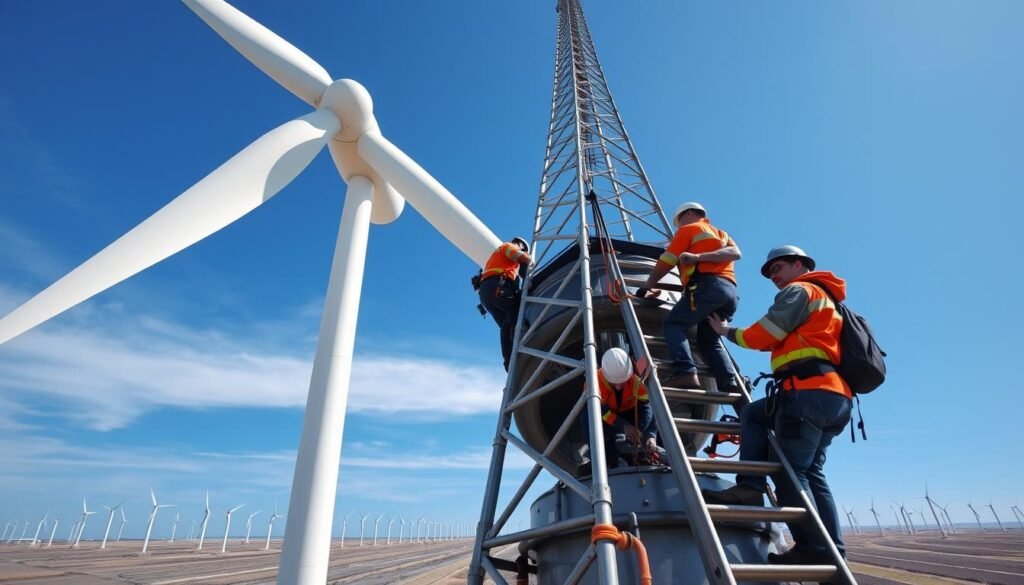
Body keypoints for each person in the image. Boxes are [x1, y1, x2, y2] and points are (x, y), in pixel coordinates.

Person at [702, 245, 853, 565]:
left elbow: (766, 334)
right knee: (806, 468)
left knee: (789, 473)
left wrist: (726, 331)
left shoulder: (800, 290)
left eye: (779, 268)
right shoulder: (828, 299)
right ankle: (831, 548)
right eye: (770, 273)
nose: (774, 277)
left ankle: (814, 548)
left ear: (800, 265)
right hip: (833, 395)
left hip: (807, 394)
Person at [641, 202, 741, 390]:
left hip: (706, 288)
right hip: (729, 292)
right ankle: (729, 381)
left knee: (673, 324)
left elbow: (668, 259)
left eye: (679, 221)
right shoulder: (722, 233)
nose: (678, 226)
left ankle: (685, 372)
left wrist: (649, 284)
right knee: (708, 341)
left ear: (688, 214)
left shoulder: (689, 229)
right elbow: (736, 253)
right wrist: (699, 257)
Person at [596, 348, 659, 469]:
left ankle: (648, 449)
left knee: (654, 406)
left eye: (623, 382)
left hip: (632, 412)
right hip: (609, 417)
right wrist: (623, 425)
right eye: (614, 383)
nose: (619, 387)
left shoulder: (639, 374)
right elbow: (602, 412)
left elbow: (646, 407)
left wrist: (644, 433)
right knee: (587, 418)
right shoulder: (595, 381)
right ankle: (607, 460)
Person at [478, 237, 533, 371]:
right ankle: (511, 359)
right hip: (497, 286)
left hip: (488, 291)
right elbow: (521, 257)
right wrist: (529, 261)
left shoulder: (500, 258)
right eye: (523, 249)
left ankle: (510, 360)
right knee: (516, 311)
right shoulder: (508, 246)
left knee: (508, 325)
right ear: (520, 244)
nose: (523, 251)